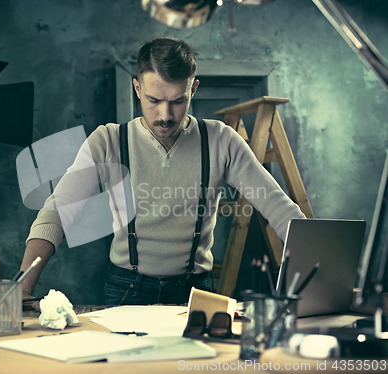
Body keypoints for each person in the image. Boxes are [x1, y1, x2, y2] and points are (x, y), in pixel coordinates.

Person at [19, 37, 306, 309]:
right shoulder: (107, 142)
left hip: (196, 291)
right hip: (126, 290)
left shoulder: (221, 141)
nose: (165, 115)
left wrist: (324, 287)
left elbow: (280, 210)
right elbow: (56, 213)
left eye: (178, 101)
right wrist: (21, 288)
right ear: (137, 89)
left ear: (193, 89)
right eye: (154, 100)